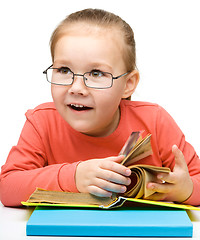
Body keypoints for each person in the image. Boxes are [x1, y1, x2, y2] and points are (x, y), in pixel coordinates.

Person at [0, 8, 199, 207]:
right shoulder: (42, 122)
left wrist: (186, 190)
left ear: (128, 84)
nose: (76, 88)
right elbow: (7, 187)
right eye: (64, 70)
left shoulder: (155, 121)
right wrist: (74, 177)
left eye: (96, 73)